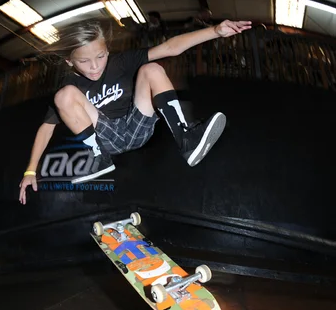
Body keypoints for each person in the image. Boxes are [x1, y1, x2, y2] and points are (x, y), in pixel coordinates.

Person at [19, 17, 252, 205]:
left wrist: (215, 31)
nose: (94, 67)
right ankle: (99, 158)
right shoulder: (71, 83)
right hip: (105, 138)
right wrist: (30, 170)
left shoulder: (121, 62)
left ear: (107, 51)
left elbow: (170, 48)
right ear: (70, 62)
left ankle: (187, 139)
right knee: (64, 95)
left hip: (137, 125)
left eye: (100, 57)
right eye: (84, 61)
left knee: (151, 69)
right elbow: (46, 128)